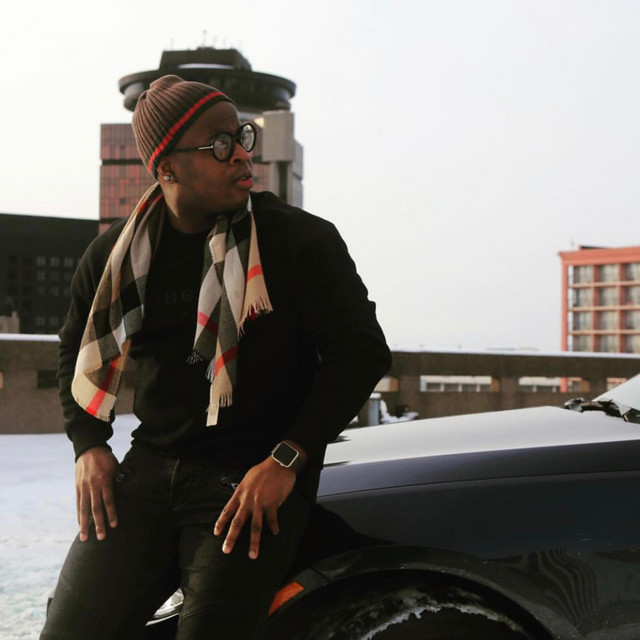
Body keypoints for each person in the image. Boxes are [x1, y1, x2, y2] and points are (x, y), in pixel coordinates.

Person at [41, 75, 391, 640]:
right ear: (166, 167)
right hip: (149, 468)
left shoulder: (298, 240)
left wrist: (287, 459)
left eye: (242, 137)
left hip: (252, 477)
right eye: (219, 144)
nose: (242, 156)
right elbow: (72, 346)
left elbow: (360, 354)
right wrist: (89, 444)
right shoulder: (116, 256)